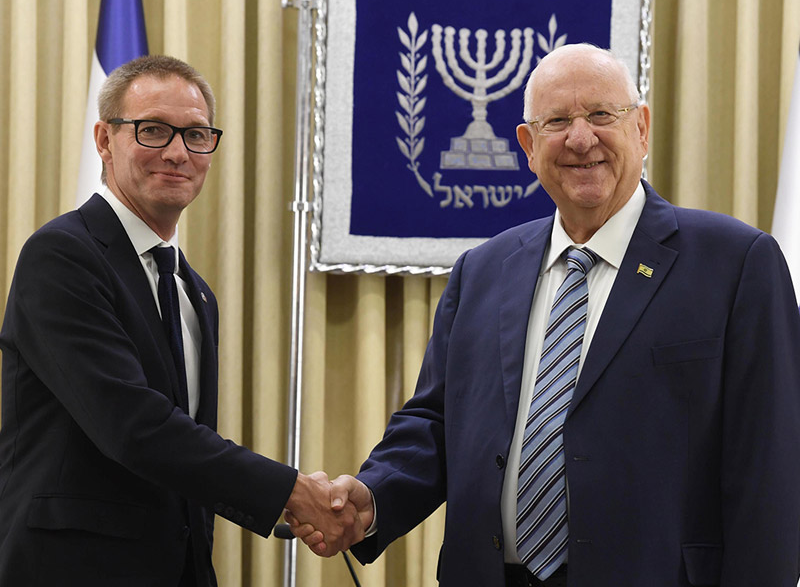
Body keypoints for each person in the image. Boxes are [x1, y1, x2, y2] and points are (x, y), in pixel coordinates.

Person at [289, 44, 800, 586]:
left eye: (602, 115)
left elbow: (771, 467)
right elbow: (437, 424)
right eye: (557, 121)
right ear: (529, 147)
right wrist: (372, 498)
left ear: (642, 129)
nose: (581, 139)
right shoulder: (481, 272)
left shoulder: (735, 264)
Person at [0, 55, 361, 586]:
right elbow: (132, 425)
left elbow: (183, 451)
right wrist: (288, 491)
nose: (177, 153)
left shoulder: (196, 293)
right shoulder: (62, 255)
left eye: (196, 135)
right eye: (153, 131)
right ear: (104, 140)